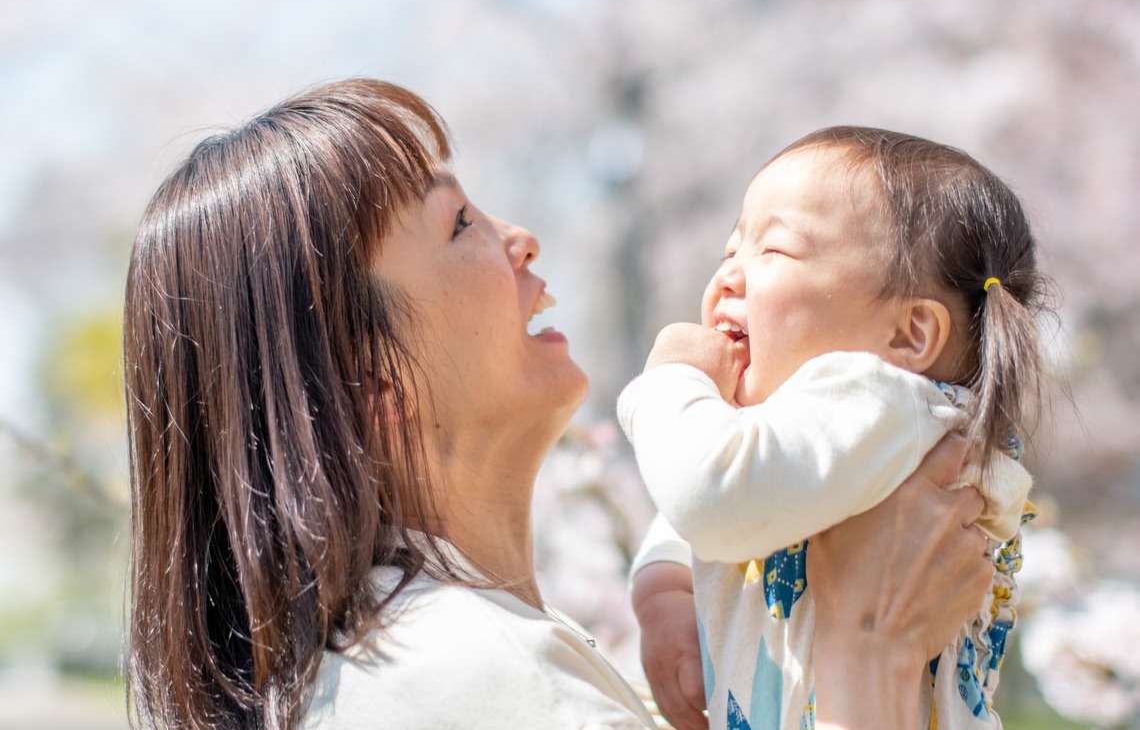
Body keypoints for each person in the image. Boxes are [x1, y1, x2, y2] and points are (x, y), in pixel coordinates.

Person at [122, 81, 995, 730]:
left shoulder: (444, 661)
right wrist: (867, 666)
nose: (520, 238)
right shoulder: (480, 680)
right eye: (460, 225)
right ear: (374, 385)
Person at [619, 127, 1050, 730]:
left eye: (774, 252)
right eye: (730, 251)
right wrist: (665, 600)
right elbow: (690, 507)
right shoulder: (797, 436)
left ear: (908, 337)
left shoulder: (882, 403)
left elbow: (710, 491)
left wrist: (672, 377)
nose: (728, 277)